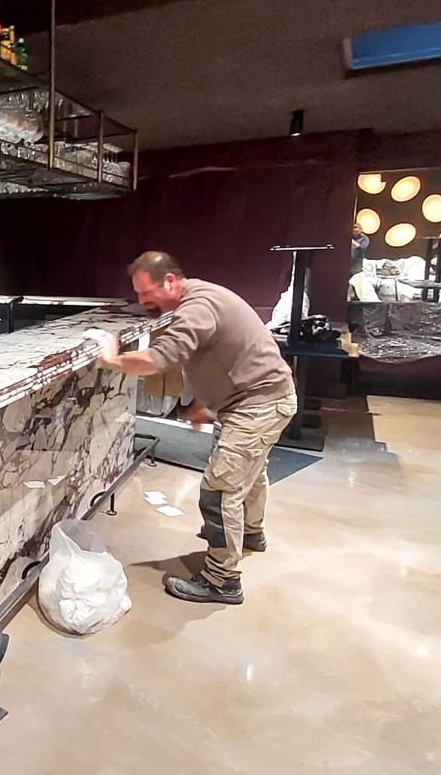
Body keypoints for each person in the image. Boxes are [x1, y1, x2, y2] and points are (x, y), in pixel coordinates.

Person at [98, 252, 297, 606]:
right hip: (260, 399)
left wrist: (112, 358)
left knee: (220, 490)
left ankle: (222, 581)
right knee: (251, 473)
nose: (142, 301)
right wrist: (205, 404)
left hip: (258, 405)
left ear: (169, 281)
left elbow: (160, 358)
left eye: (146, 293)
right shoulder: (203, 297)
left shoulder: (197, 307)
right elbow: (225, 355)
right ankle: (251, 533)